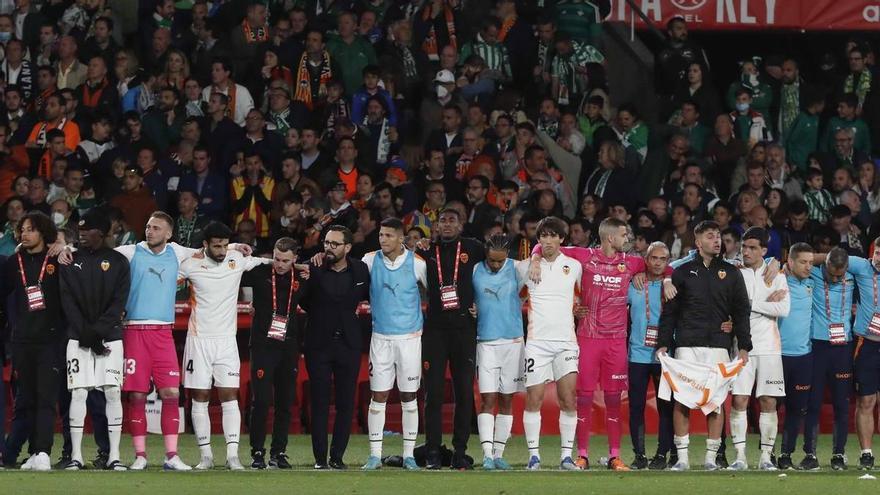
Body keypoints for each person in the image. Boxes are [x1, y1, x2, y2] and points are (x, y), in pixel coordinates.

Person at [528, 217, 660, 470]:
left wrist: (657, 277)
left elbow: (662, 266)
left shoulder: (631, 262)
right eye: (624, 235)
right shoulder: (584, 256)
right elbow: (545, 247)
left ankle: (614, 456)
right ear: (610, 238)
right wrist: (535, 259)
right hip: (588, 339)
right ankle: (583, 455)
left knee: (613, 399)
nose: (627, 240)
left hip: (616, 341)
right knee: (584, 399)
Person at [656, 220, 752, 471]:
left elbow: (741, 311)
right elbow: (670, 313)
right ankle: (683, 458)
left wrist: (744, 346)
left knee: (716, 401)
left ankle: (710, 458)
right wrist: (664, 343)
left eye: (718, 236)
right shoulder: (682, 272)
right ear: (698, 243)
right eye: (710, 237)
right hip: (687, 344)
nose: (717, 240)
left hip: (719, 345)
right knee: (682, 401)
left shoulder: (732, 273)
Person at [179, 221, 272, 471]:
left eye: (224, 245)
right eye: (216, 246)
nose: (221, 251)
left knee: (230, 396)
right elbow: (169, 275)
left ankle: (233, 456)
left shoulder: (236, 259)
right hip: (198, 340)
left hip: (227, 341)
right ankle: (206, 456)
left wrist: (299, 266)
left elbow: (267, 264)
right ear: (205, 245)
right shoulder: (190, 264)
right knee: (200, 397)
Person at [59, 210, 130, 471]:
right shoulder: (70, 261)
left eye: (86, 229)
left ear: (100, 232)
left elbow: (118, 304)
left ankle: (114, 456)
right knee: (78, 392)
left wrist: (96, 332)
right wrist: (88, 334)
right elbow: (67, 301)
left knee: (112, 392)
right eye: (79, 229)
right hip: (78, 338)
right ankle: (76, 456)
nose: (81, 233)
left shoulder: (119, 262)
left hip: (109, 339)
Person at [417, 208, 485, 469]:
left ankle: (459, 452)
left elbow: (498, 266)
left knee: (464, 394)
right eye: (442, 220)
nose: (446, 225)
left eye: (452, 220)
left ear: (461, 224)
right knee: (432, 394)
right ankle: (433, 451)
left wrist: (482, 304)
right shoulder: (425, 250)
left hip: (464, 331)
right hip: (434, 332)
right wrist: (416, 242)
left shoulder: (474, 248)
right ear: (436, 225)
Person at [300, 226, 370, 469]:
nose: (328, 247)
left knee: (345, 403)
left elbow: (369, 295)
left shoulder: (361, 269)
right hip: (318, 344)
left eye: (334, 244)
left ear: (347, 248)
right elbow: (301, 299)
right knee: (319, 402)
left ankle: (337, 457)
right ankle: (320, 459)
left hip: (349, 344)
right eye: (326, 243)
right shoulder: (314, 266)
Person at [360, 217, 427, 470]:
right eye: (381, 235)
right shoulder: (369, 260)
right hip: (381, 338)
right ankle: (375, 455)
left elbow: (436, 292)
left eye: (389, 235)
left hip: (410, 338)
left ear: (401, 238)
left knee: (409, 396)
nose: (383, 240)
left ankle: (408, 455)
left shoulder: (416, 263)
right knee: (378, 395)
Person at [518, 216, 581, 471]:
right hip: (537, 343)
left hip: (566, 342)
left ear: (561, 239)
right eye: (542, 236)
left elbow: (580, 297)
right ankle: (534, 456)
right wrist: (534, 259)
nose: (547, 240)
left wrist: (579, 309)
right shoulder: (526, 268)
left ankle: (566, 457)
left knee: (568, 399)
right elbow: (511, 294)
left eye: (552, 235)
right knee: (534, 399)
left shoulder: (575, 266)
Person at [2, 212, 62, 471]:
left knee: (46, 397)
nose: (25, 234)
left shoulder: (58, 259)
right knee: (25, 398)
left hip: (51, 340)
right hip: (22, 340)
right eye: (22, 230)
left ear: (43, 232)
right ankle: (20, 452)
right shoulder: (13, 261)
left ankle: (42, 452)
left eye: (31, 230)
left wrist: (64, 245)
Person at [243, 237, 308, 469]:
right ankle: (257, 452)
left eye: (286, 261)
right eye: (277, 259)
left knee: (285, 402)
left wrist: (306, 267)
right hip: (262, 345)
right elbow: (233, 267)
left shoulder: (302, 277)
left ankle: (278, 452)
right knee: (260, 401)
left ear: (295, 259)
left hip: (289, 346)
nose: (280, 264)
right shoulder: (259, 271)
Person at [729, 227, 790, 471]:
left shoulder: (777, 274)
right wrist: (764, 304)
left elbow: (783, 309)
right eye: (744, 247)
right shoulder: (734, 272)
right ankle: (740, 457)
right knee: (739, 399)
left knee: (767, 401)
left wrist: (749, 305)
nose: (746, 251)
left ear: (764, 250)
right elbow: (732, 307)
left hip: (769, 347)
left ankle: (766, 457)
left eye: (752, 248)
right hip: (741, 347)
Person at [471, 234, 525, 471]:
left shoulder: (516, 268)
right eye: (492, 260)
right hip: (486, 341)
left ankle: (499, 453)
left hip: (513, 341)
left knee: (506, 399)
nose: (495, 265)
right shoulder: (474, 270)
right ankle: (486, 455)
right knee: (487, 399)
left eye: (500, 261)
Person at [802, 247, 854, 471]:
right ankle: (810, 455)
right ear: (825, 265)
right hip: (817, 346)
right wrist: (824, 256)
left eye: (839, 276)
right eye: (831, 273)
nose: (835, 278)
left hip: (843, 347)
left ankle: (839, 455)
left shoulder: (854, 275)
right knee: (812, 403)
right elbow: (798, 256)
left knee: (841, 404)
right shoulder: (812, 271)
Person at [627, 242, 675, 470]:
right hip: (637, 354)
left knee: (665, 407)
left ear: (668, 262)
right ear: (646, 259)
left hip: (663, 355)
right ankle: (639, 455)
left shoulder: (673, 287)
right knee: (636, 407)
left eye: (662, 259)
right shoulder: (634, 284)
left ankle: (661, 455)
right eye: (653, 258)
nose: (657, 263)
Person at [776, 242, 815, 470]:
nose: (808, 267)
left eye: (811, 262)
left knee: (796, 408)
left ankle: (785, 454)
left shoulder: (813, 283)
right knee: (771, 406)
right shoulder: (776, 281)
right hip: (778, 356)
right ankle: (767, 453)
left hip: (804, 357)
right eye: (803, 262)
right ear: (790, 262)